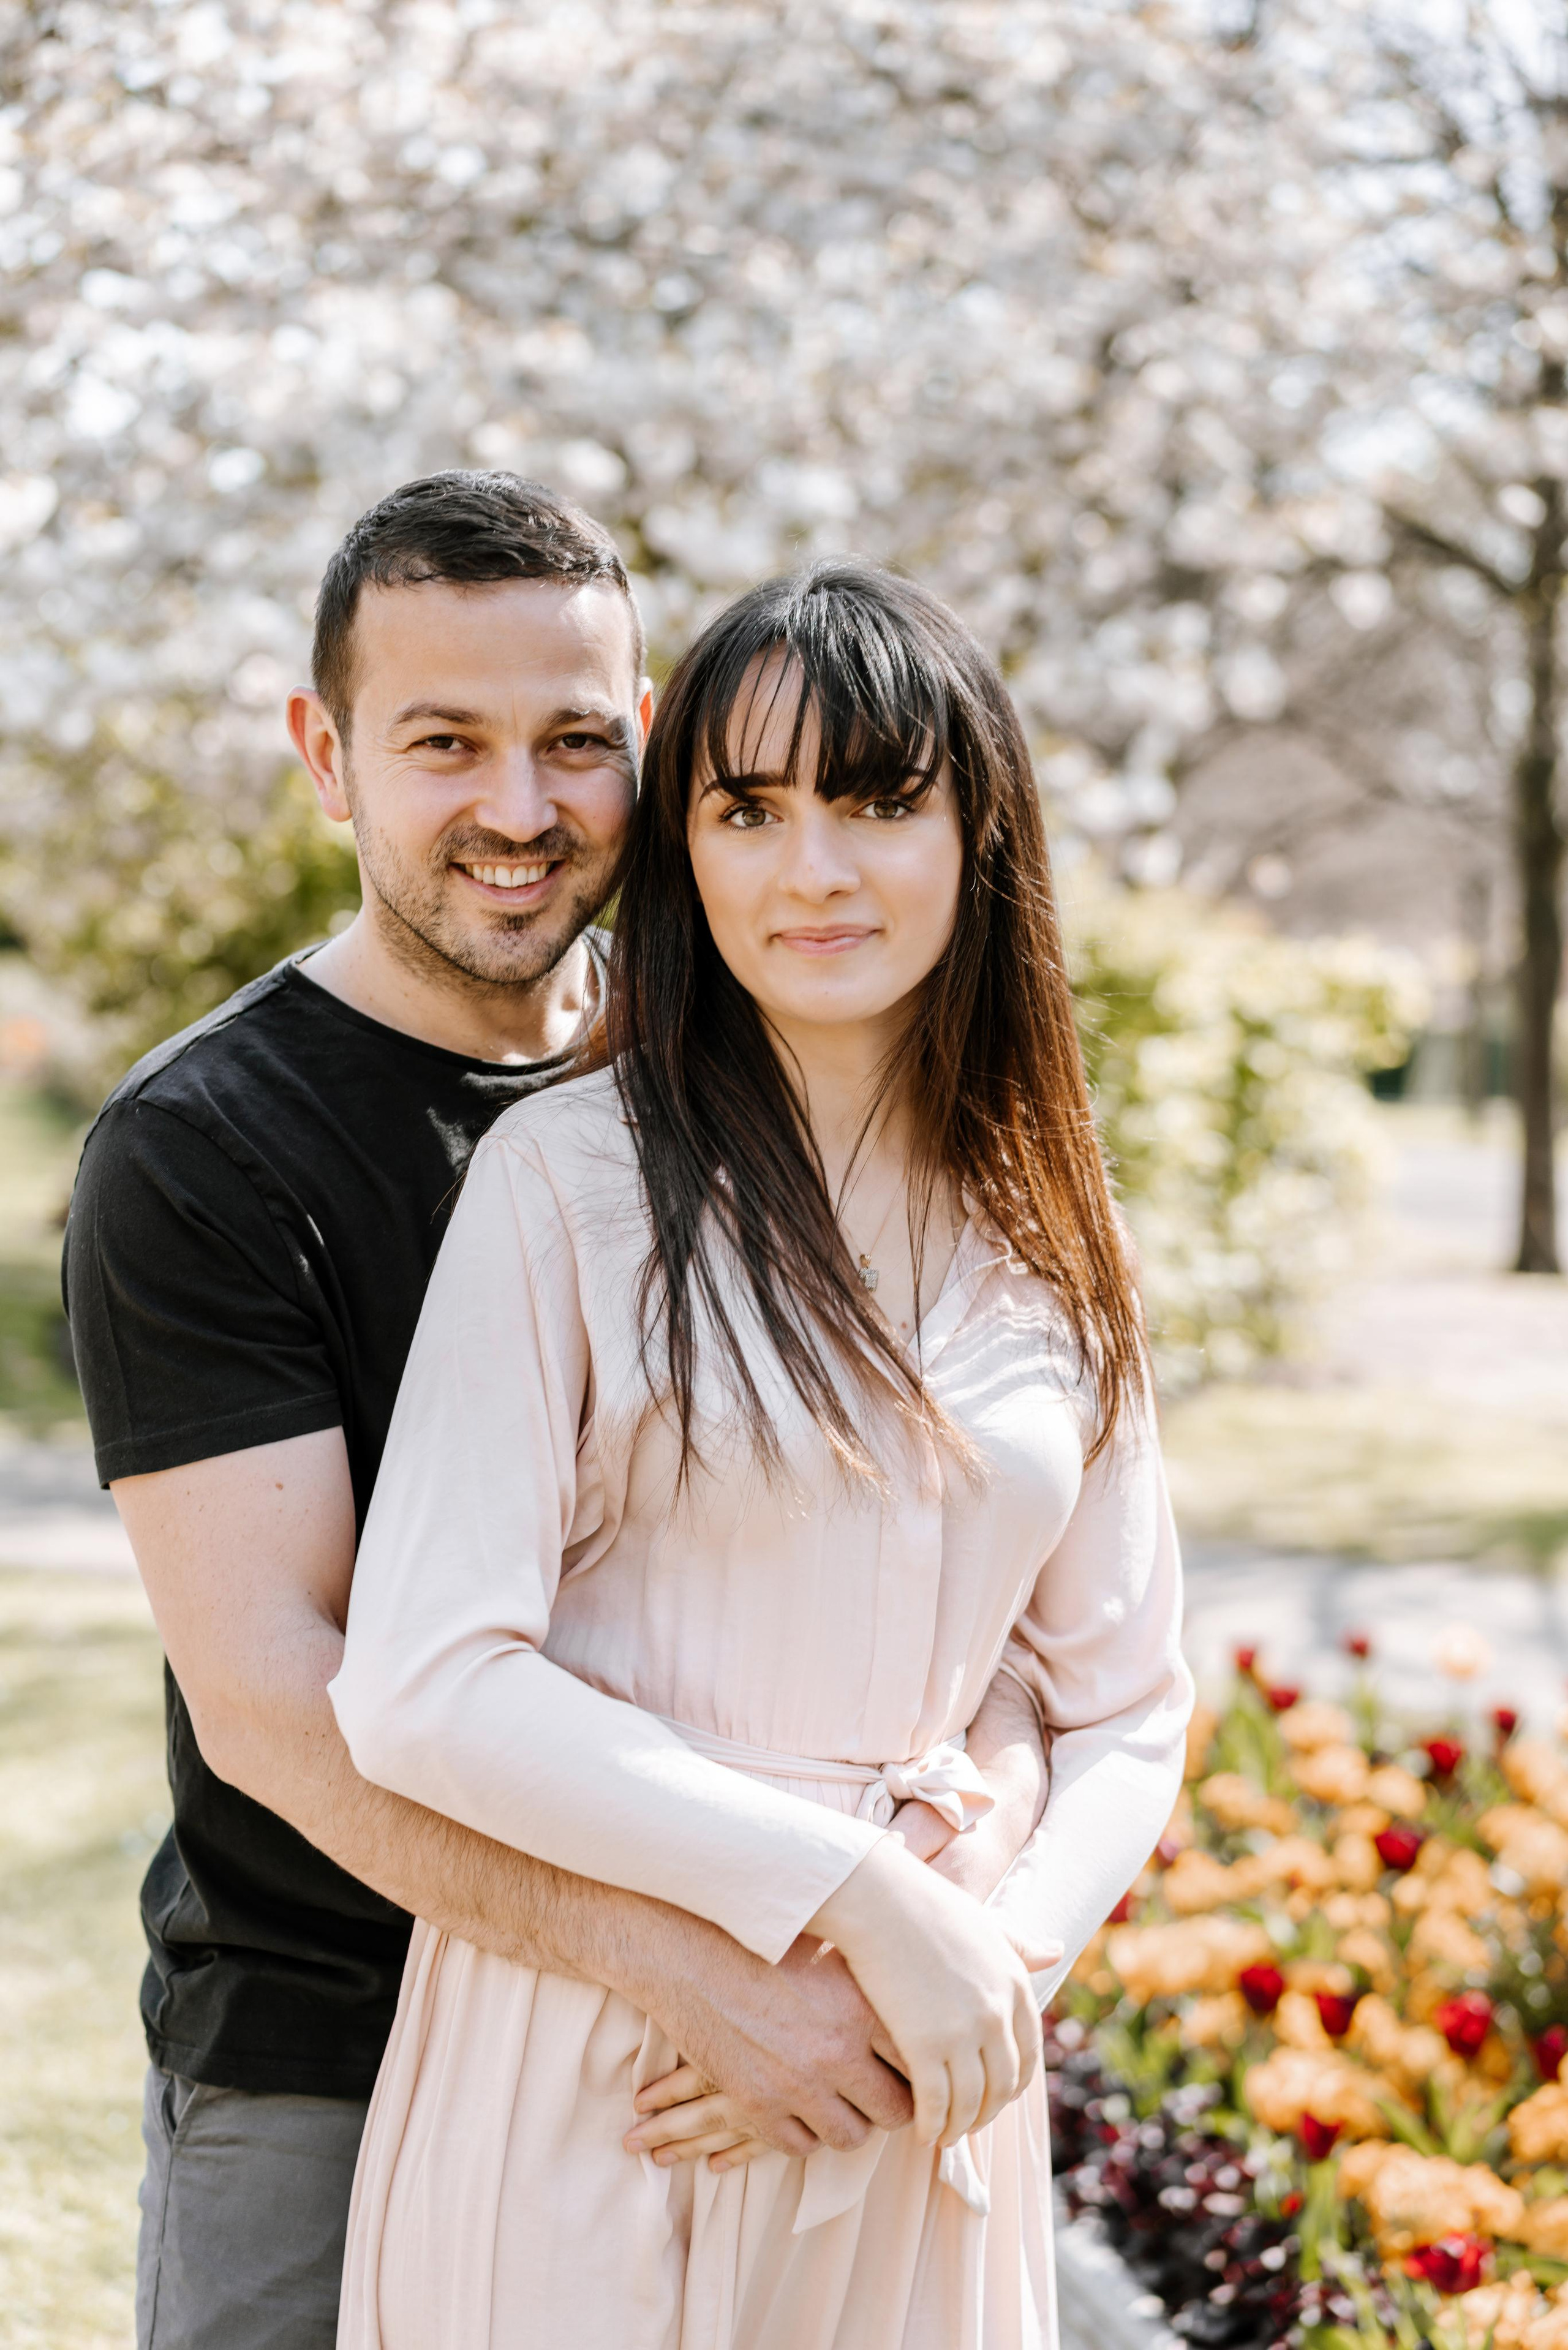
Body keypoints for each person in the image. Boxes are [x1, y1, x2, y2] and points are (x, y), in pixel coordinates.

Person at [64, 473, 1051, 2350]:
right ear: (327, 757)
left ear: (652, 749)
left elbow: (927, 1537)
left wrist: (941, 1876)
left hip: (735, 2027)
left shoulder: (735, 1084)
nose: (519, 812)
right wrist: (701, 1969)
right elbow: (288, 1702)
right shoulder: (200, 1154)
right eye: (445, 744)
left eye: (575, 743)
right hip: (333, 2033)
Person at [330, 560, 1195, 2349]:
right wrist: (853, 1894)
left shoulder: (1055, 1225)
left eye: (880, 801)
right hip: (610, 2070)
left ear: (982, 834)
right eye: (749, 807)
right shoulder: (568, 1187)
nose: (816, 868)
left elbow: (1129, 1702)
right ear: (687, 846)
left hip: (919, 2084)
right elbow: (423, 1680)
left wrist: (970, 1965)